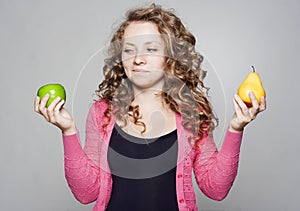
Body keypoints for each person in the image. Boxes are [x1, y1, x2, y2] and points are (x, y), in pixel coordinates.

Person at [34, 3, 266, 211]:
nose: (138, 59)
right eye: (129, 49)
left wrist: (236, 128)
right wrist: (68, 131)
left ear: (170, 56)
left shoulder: (193, 113)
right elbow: (86, 194)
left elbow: (216, 190)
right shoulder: (102, 112)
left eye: (151, 49)